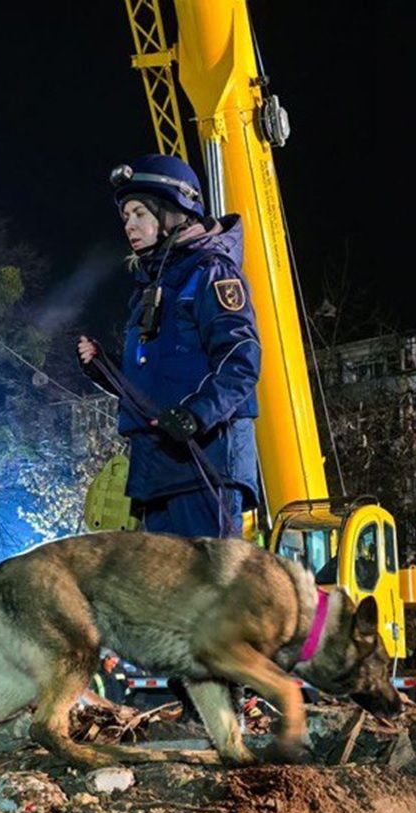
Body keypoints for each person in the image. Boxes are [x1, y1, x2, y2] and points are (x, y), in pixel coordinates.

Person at [77, 154, 260, 538]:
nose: (130, 226)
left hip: (204, 464)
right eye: (126, 217)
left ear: (174, 212)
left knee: (208, 592)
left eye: (140, 213)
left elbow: (240, 361)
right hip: (157, 472)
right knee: (163, 598)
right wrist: (106, 370)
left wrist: (196, 414)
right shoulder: (152, 288)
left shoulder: (212, 273)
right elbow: (157, 382)